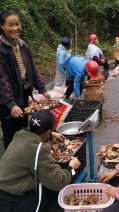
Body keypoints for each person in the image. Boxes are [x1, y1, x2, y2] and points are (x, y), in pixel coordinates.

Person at [0, 109, 81, 212]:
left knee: (42, 175)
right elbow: (58, 182)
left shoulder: (19, 135)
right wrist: (71, 168)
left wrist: (52, 135)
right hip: (11, 203)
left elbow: (35, 137)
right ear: (47, 131)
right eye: (50, 132)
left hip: (3, 191)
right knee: (46, 183)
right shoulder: (39, 149)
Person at [0, 10, 51, 150]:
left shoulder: (22, 45)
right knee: (11, 134)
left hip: (24, 94)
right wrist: (11, 104)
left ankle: (24, 159)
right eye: (10, 25)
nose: (15, 28)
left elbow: (32, 69)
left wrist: (42, 89)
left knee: (23, 130)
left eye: (17, 24)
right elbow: (2, 78)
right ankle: (10, 166)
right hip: (7, 100)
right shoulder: (1, 48)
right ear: (2, 26)